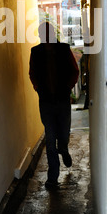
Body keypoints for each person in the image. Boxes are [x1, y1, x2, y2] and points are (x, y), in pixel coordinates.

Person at [29, 21, 79, 190]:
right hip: (46, 102)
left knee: (63, 134)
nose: (45, 37)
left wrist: (68, 88)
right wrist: (37, 88)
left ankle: (64, 149)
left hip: (63, 101)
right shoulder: (35, 52)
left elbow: (74, 70)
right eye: (42, 34)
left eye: (48, 33)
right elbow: (32, 73)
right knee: (50, 140)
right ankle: (53, 178)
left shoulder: (64, 50)